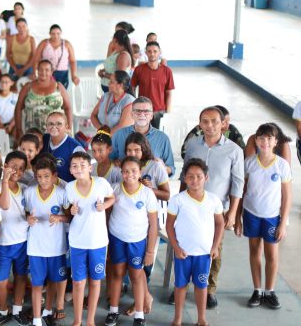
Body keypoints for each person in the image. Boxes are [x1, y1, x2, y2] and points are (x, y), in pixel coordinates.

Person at [179, 106, 244, 308]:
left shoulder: (234, 150)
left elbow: (238, 183)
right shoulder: (192, 145)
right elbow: (184, 175)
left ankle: (210, 289)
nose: (210, 126)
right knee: (187, 246)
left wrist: (233, 213)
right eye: (205, 121)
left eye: (214, 121)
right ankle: (183, 287)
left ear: (223, 124)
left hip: (217, 210)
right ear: (200, 124)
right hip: (190, 206)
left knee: (214, 250)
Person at [235, 124, 292, 310]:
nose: (265, 142)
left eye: (269, 138)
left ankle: (270, 291)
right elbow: (240, 192)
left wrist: (283, 223)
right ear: (256, 140)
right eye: (261, 138)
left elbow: (287, 197)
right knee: (254, 252)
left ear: (276, 141)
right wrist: (237, 218)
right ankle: (257, 290)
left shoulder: (282, 165)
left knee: (271, 254)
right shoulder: (249, 163)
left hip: (272, 217)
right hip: (251, 214)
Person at [167, 158, 224, 326]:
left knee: (201, 286)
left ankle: (201, 319)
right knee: (180, 286)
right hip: (183, 253)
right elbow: (169, 225)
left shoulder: (213, 200)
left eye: (199, 176)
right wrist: (176, 247)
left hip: (204, 254)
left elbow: (220, 223)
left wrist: (215, 247)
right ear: (185, 178)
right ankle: (177, 319)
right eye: (190, 176)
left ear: (206, 178)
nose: (194, 180)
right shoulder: (178, 200)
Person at [104, 156, 158, 326]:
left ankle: (139, 315)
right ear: (121, 173)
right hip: (117, 238)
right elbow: (106, 215)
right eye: (126, 171)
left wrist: (150, 251)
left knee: (136, 275)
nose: (130, 174)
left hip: (138, 241)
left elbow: (154, 225)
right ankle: (113, 311)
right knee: (117, 273)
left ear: (140, 172)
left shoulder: (147, 193)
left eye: (134, 171)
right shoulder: (114, 190)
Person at [64, 151, 115, 326]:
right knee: (78, 283)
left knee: (95, 281)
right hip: (77, 242)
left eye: (82, 165)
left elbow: (112, 198)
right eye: (74, 166)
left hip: (98, 242)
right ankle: (78, 321)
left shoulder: (101, 183)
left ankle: (90, 320)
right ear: (70, 170)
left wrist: (105, 205)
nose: (78, 169)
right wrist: (71, 211)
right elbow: (68, 209)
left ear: (90, 168)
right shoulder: (69, 188)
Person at [25, 157, 70, 326]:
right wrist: (27, 219)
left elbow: (70, 217)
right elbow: (24, 214)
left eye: (46, 176)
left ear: (54, 176)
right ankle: (37, 319)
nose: (43, 180)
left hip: (56, 247)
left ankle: (48, 310)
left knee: (53, 280)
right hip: (36, 247)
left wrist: (59, 217)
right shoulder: (29, 192)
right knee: (37, 284)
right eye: (39, 176)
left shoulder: (61, 193)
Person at [0, 151, 30, 326]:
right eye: (13, 167)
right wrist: (5, 180)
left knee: (20, 277)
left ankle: (18, 310)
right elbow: (3, 205)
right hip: (2, 243)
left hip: (22, 241)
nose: (16, 172)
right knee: (1, 280)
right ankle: (3, 310)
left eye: (21, 169)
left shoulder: (25, 189)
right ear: (5, 167)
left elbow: (28, 213)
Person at [110, 96, 176, 176]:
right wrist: (113, 162)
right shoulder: (118, 135)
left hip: (152, 185)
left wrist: (161, 168)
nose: (142, 114)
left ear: (151, 115)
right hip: (124, 183)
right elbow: (108, 160)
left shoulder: (162, 138)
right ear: (132, 115)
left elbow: (171, 169)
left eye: (146, 111)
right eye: (138, 111)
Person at [14, 60, 73, 139]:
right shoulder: (28, 87)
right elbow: (18, 108)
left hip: (56, 131)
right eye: (40, 69)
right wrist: (19, 129)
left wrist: (68, 127)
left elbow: (68, 108)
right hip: (32, 132)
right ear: (37, 70)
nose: (43, 72)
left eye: (47, 70)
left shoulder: (58, 86)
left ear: (52, 71)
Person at [130, 41, 175, 129]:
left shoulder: (167, 71)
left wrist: (168, 112)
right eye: (149, 51)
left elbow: (169, 92)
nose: (152, 54)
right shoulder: (139, 70)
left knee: (157, 137)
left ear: (160, 52)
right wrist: (135, 106)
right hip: (142, 110)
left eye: (155, 51)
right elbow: (132, 88)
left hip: (159, 111)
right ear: (146, 52)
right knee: (142, 136)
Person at [181, 105, 246, 160]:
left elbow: (242, 151)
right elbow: (184, 152)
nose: (227, 124)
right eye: (225, 121)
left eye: (228, 121)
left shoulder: (231, 130)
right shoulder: (200, 129)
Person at [125, 132, 171, 201]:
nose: (132, 154)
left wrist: (149, 189)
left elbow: (167, 196)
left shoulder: (156, 166)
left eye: (137, 150)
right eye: (129, 150)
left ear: (144, 149)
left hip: (151, 210)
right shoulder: (124, 166)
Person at [42, 111, 84, 183]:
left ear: (66, 126)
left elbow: (83, 176)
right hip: (45, 187)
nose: (54, 127)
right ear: (46, 126)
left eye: (59, 124)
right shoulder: (43, 140)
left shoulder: (75, 148)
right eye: (50, 124)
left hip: (66, 189)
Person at [33, 24, 79, 89]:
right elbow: (36, 59)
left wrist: (73, 76)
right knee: (47, 92)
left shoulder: (67, 44)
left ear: (61, 33)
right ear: (49, 34)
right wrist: (35, 72)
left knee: (61, 94)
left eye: (58, 33)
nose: (56, 36)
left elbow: (72, 61)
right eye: (53, 34)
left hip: (62, 73)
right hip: (46, 73)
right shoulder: (44, 43)